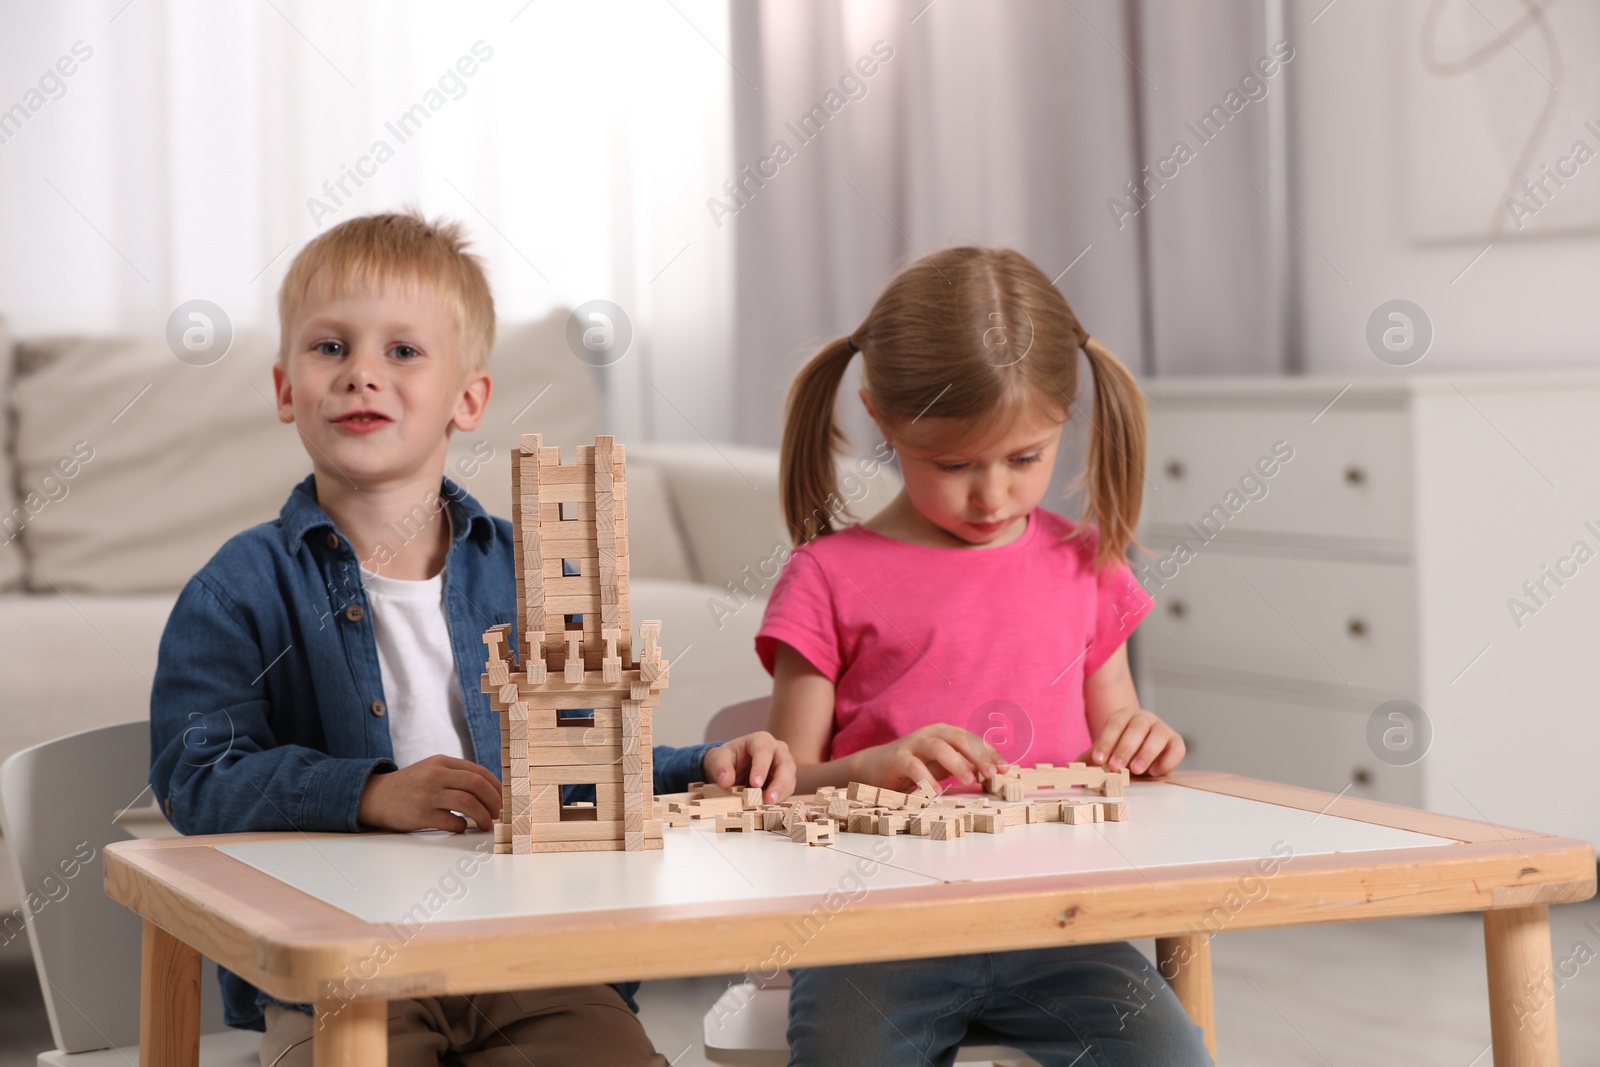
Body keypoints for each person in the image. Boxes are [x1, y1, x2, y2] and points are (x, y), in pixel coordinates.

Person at [148, 210, 794, 1067]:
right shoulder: (238, 589)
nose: (362, 376)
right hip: (349, 970)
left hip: (535, 959)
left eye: (402, 351)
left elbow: (583, 756)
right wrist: (368, 793)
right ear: (283, 389)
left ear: (470, 397)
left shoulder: (533, 572)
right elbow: (197, 776)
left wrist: (699, 765)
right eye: (331, 347)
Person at [758, 247, 1212, 1066]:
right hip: (877, 934)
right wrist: (872, 764)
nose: (992, 495)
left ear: (1065, 422)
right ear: (882, 418)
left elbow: (1122, 752)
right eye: (955, 464)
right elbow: (782, 786)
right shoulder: (828, 576)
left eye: (1025, 458)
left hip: (1067, 926)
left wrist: (1147, 740)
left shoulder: (1086, 562)